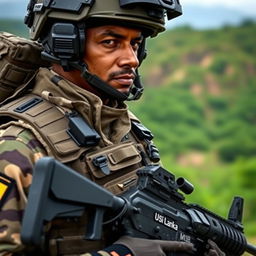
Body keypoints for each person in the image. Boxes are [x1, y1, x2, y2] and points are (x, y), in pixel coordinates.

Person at [0, 0, 226, 255]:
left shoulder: (126, 127)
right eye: (110, 42)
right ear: (66, 44)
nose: (132, 60)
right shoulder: (18, 146)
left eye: (135, 44)